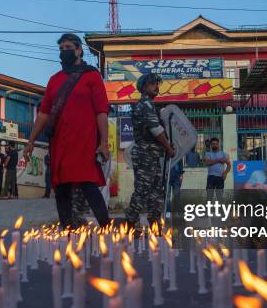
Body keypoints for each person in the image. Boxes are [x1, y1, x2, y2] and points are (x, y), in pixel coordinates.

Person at [23, 33, 110, 229]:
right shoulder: (54, 80)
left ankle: (107, 229)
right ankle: (67, 230)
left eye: (68, 48)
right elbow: (44, 113)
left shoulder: (91, 75)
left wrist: (103, 143)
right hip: (60, 143)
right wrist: (30, 141)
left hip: (84, 142)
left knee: (88, 184)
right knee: (61, 187)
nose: (64, 52)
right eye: (61, 49)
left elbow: (101, 112)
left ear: (79, 50)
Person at [124, 73, 175, 230]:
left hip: (152, 155)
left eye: (157, 84)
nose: (156, 87)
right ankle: (130, 224)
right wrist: (168, 147)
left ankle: (154, 223)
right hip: (145, 153)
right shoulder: (144, 104)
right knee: (143, 190)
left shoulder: (149, 105)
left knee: (156, 191)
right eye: (153, 84)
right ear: (144, 87)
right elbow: (156, 129)